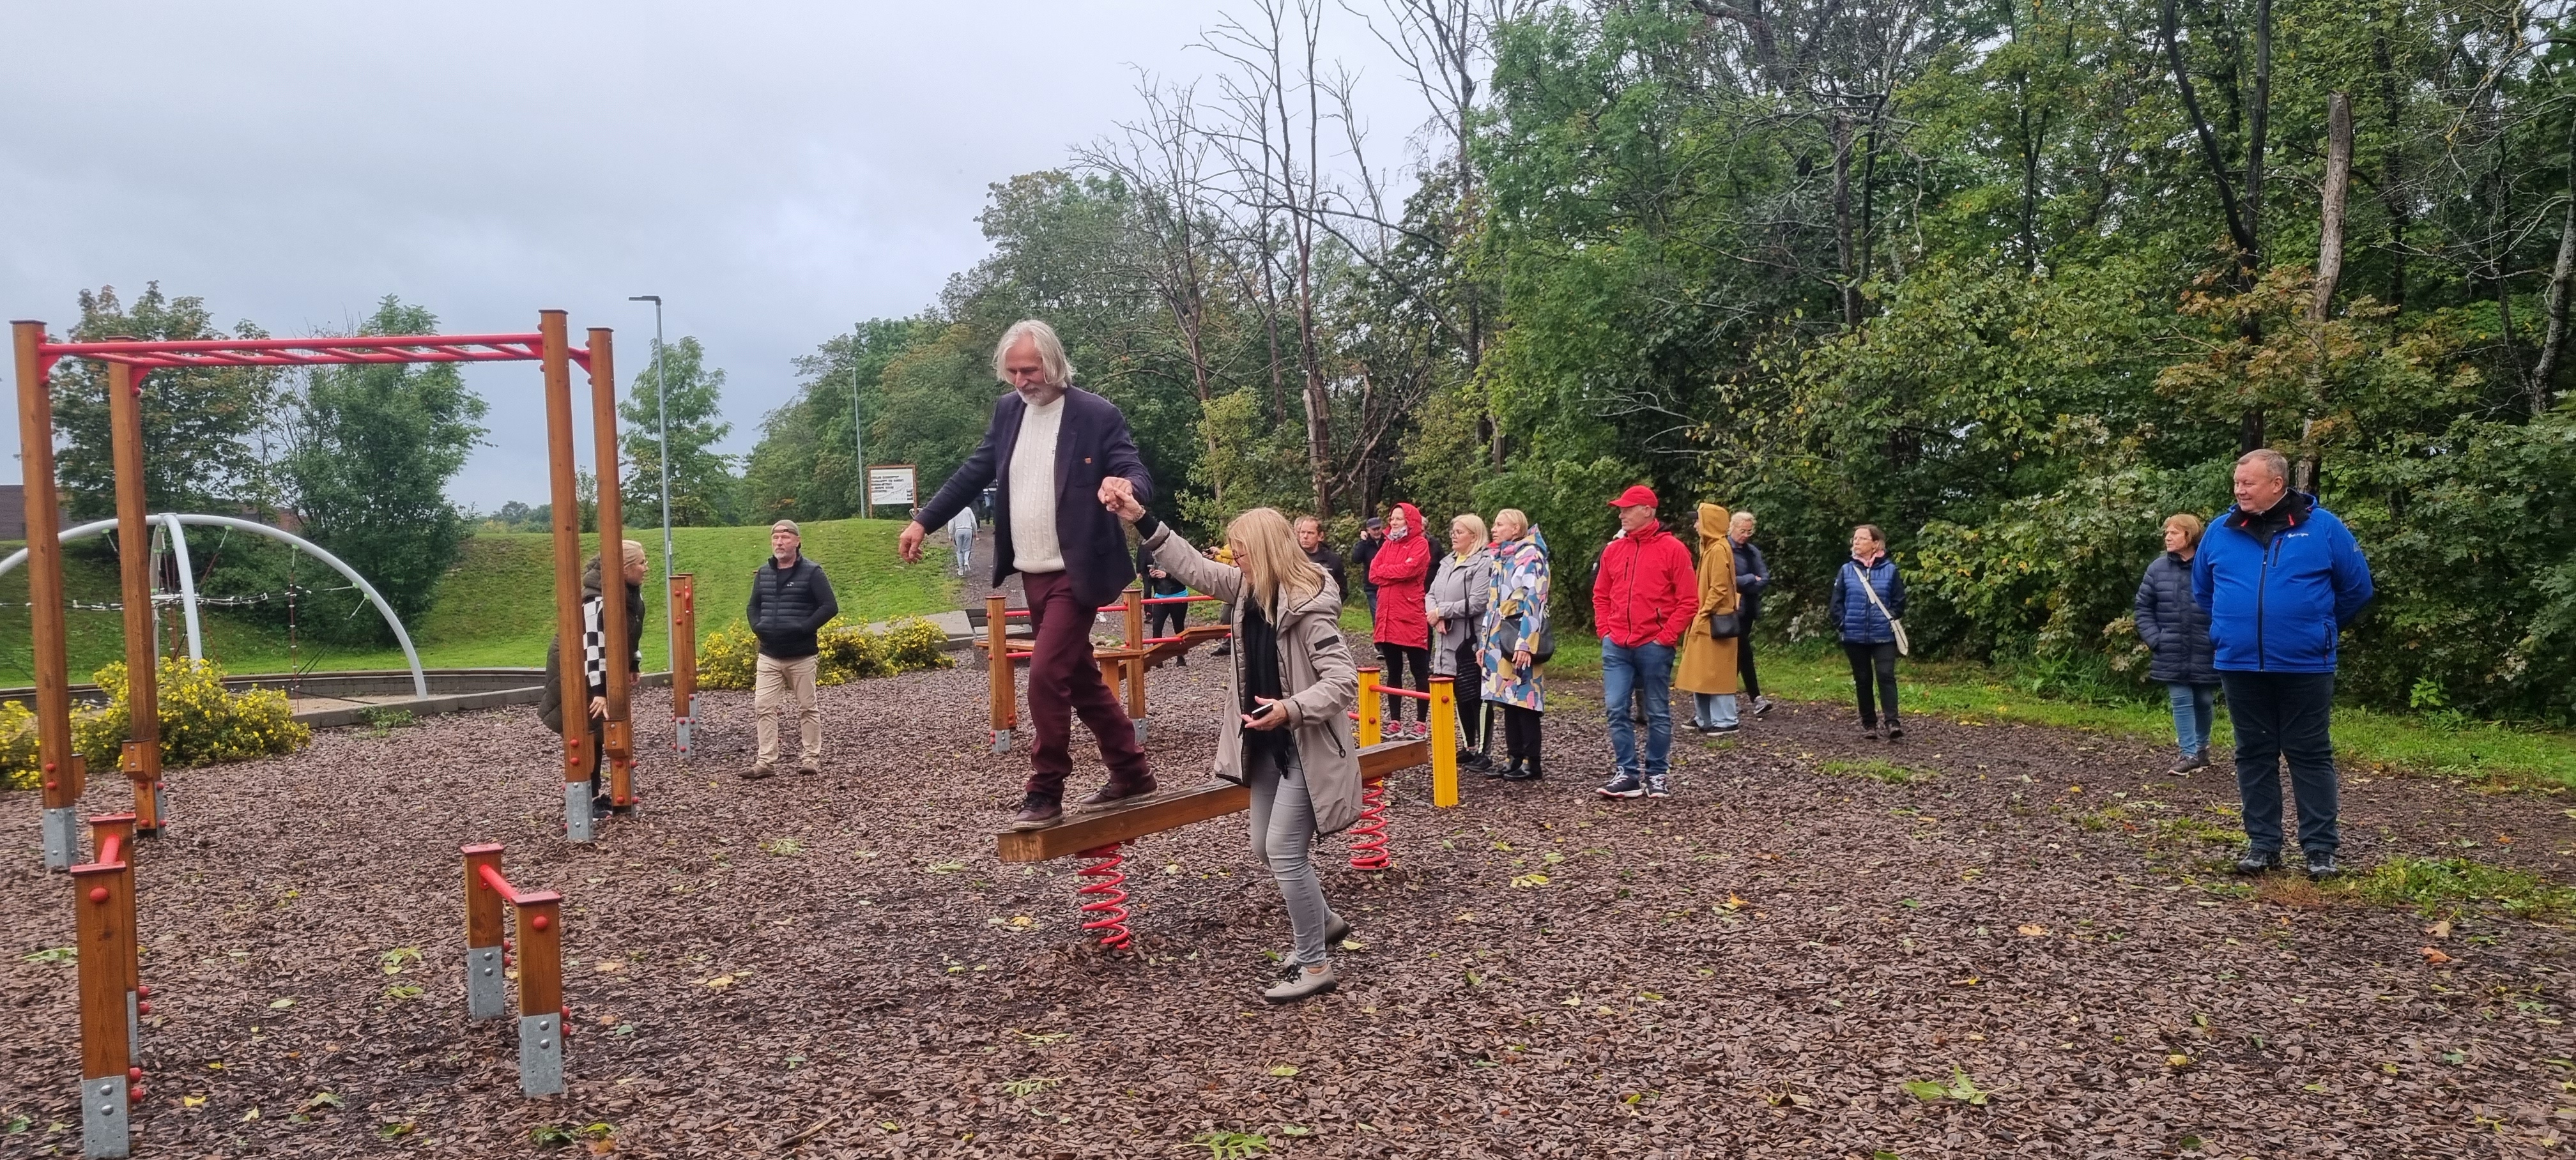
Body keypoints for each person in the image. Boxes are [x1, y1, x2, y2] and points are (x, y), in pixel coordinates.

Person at [901, 319, 1157, 831]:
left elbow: (1137, 472)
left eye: (1030, 370)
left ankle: (1045, 791)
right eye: (1013, 372)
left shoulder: (1096, 414)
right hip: (1033, 571)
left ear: (1054, 363)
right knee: (1078, 677)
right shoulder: (1008, 413)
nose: (1021, 381)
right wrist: (924, 520)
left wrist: (1125, 487)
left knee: (1044, 674)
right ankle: (1132, 772)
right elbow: (973, 472)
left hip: (1078, 571)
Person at [1110, 494, 1361, 1003]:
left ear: (1265, 550)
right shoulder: (1248, 589)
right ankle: (1324, 920)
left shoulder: (1309, 608)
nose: (1233, 557)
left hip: (1304, 747)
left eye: (1241, 549)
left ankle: (1314, 964)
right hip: (1265, 743)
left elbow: (1343, 681)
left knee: (1285, 851)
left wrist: (1291, 709)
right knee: (1263, 847)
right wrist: (1140, 518)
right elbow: (1192, 566)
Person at [2194, 449, 2374, 880]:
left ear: (2277, 484)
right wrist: (2229, 629)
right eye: (2237, 483)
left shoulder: (2323, 527)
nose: (2239, 490)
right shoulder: (2220, 530)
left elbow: (2357, 588)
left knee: (2309, 753)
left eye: (2248, 483)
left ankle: (2320, 850)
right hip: (2239, 663)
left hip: (2305, 664)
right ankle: (2263, 846)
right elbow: (2203, 591)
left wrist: (2317, 629)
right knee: (2253, 753)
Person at [1592, 485, 1697, 799]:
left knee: (1657, 711)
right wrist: (1605, 630)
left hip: (1653, 644)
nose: (1621, 515)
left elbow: (1688, 601)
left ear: (1648, 511)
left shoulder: (1673, 549)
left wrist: (1665, 636)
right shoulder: (1613, 550)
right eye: (1621, 510)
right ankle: (1627, 773)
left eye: (1628, 509)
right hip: (1617, 643)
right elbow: (1600, 594)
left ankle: (1657, 774)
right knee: (1615, 708)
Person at [539, 540, 647, 818]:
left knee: (598, 729)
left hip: (593, 666)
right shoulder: (596, 600)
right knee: (587, 729)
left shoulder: (629, 594)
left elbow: (630, 632)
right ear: (624, 569)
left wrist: (632, 663)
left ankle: (597, 796)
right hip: (576, 667)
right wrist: (599, 691)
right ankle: (586, 799)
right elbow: (594, 646)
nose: (646, 568)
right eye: (641, 563)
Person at [744, 521, 839, 779]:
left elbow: (829, 606)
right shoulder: (764, 573)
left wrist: (804, 627)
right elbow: (753, 606)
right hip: (769, 654)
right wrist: (758, 627)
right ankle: (766, 761)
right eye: (775, 537)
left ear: (797, 541)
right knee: (763, 706)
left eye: (785, 537)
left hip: (802, 655)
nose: (779, 542)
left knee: (807, 707)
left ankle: (811, 758)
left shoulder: (812, 572)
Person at [2136, 513, 2220, 774]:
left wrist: (2219, 637)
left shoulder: (2209, 566)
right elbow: (2143, 607)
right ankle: (2188, 753)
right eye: (2167, 533)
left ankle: (2202, 749)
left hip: (2206, 647)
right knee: (2181, 699)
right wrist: (2155, 639)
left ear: (2189, 535)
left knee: (2204, 700)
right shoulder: (2157, 568)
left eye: (2173, 533)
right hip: (2170, 648)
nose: (2167, 537)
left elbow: (2227, 603)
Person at [1479, 509, 1551, 781]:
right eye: (1494, 524)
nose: (1494, 529)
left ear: (1516, 528)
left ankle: (1533, 762)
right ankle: (1514, 757)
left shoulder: (1532, 556)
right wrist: (1484, 643)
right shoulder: (1501, 557)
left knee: (1525, 699)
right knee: (1506, 698)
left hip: (1521, 634)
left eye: (1500, 524)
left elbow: (1535, 601)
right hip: (1500, 637)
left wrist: (1525, 644)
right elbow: (1493, 603)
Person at [1427, 514, 1494, 772]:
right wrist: (1435, 615)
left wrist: (1442, 612)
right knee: (1458, 693)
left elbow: (1478, 602)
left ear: (1474, 536)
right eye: (1453, 531)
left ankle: (1485, 751)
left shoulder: (1483, 563)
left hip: (1471, 640)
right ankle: (1469, 746)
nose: (1454, 536)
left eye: (1459, 532)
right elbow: (1431, 594)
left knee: (1475, 694)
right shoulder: (1447, 562)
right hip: (1446, 639)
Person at [1828, 524, 1907, 740]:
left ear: (1875, 544)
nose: (1856, 542)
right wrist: (1842, 623)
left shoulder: (1890, 570)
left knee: (1886, 675)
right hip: (1854, 635)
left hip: (1884, 635)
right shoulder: (1847, 570)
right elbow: (1836, 601)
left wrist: (1890, 618)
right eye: (1855, 538)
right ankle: (1869, 724)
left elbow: (1899, 600)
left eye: (1862, 538)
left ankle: (1892, 722)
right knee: (1863, 679)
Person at [1675, 503, 1744, 740]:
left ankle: (1726, 720)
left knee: (1716, 672)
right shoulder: (1712, 548)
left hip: (1713, 620)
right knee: (1701, 671)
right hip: (1707, 619)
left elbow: (1719, 588)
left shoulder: (1718, 550)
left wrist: (1703, 612)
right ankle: (1705, 718)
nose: (1695, 525)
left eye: (1699, 520)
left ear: (1710, 523)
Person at [1368, 503, 1434, 738]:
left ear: (1410, 521)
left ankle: (1420, 723)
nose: (1394, 523)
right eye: (1392, 518)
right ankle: (1395, 721)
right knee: (1393, 670)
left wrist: (1387, 572)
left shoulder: (1420, 544)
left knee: (1419, 670)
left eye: (1399, 518)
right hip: (1387, 617)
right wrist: (1393, 572)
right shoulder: (1387, 544)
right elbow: (1373, 573)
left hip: (1410, 615)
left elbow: (1410, 570)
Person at [1728, 509, 1774, 717]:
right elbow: (1726, 580)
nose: (1746, 535)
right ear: (1732, 528)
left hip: (1748, 609)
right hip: (1731, 609)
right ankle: (1756, 698)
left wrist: (1748, 583)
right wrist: (1749, 579)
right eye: (1742, 531)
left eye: (1749, 531)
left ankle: (1727, 697)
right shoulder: (1724, 549)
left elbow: (1764, 578)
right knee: (1744, 651)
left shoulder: (1753, 551)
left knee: (1739, 652)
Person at [1138, 537, 1190, 667]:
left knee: (1178, 627)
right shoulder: (1155, 559)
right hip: (1160, 596)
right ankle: (1157, 658)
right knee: (1157, 626)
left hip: (1178, 596)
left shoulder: (1179, 559)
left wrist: (1167, 575)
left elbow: (1185, 579)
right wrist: (1152, 576)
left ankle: (1180, 657)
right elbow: (1150, 582)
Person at [1295, 515, 1348, 605]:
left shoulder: (1333, 560)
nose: (1305, 536)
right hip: (1297, 608)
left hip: (1324, 609)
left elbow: (1342, 590)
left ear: (1320, 536)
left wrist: (1331, 605)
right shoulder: (1293, 557)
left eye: (1310, 533)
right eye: (1302, 532)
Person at [1349, 517, 1386, 616]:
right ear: (1368, 530)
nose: (1377, 531)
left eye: (1378, 528)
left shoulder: (1388, 541)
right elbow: (1356, 559)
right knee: (1377, 615)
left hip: (1386, 584)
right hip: (1371, 586)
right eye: (1374, 529)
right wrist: (1362, 542)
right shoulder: (1365, 544)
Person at [946, 503, 978, 577]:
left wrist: (950, 534)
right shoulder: (968, 510)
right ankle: (966, 561)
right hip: (968, 530)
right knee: (967, 549)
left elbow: (951, 524)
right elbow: (973, 522)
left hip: (958, 531)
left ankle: (961, 569)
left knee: (959, 551)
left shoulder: (954, 511)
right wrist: (975, 532)